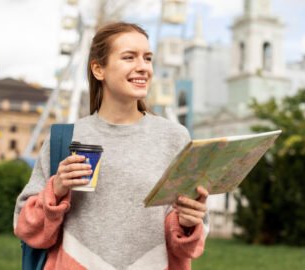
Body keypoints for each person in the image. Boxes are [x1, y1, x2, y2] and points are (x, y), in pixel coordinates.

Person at [14, 21, 209, 270]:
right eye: (129, 57)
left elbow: (187, 245)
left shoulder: (174, 137)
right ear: (98, 69)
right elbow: (25, 226)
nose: (143, 68)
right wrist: (57, 189)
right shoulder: (66, 138)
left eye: (147, 58)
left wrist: (189, 223)